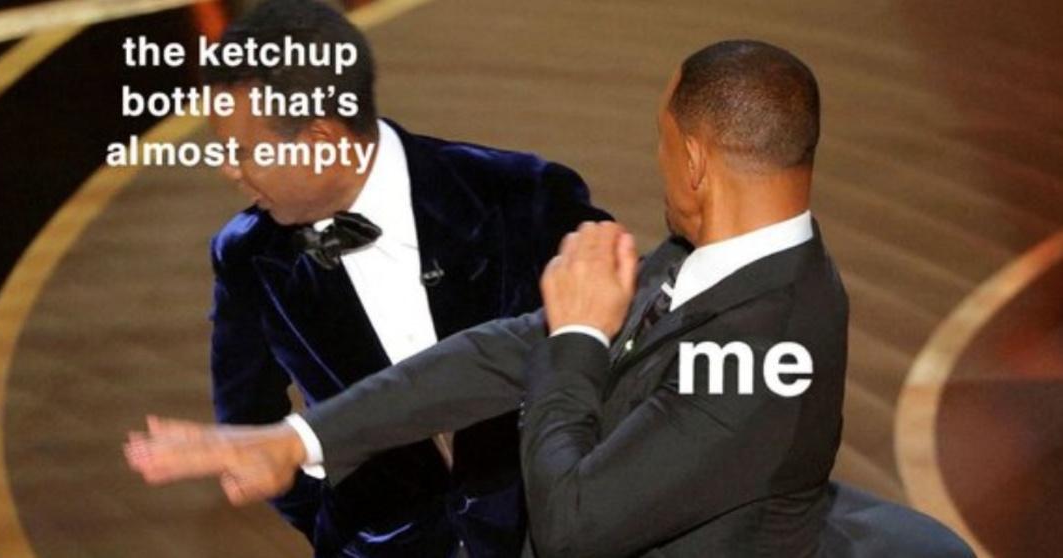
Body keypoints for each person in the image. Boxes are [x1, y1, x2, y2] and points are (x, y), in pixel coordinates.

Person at [127, 41, 970, 557]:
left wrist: (576, 342)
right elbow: (506, 348)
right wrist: (300, 438)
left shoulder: (763, 352)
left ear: (695, 161)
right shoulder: (707, 258)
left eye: (662, 142)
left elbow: (572, 526)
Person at [195, 1, 609, 556]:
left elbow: (629, 352)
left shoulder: (523, 194)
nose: (228, 171)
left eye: (241, 151)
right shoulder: (246, 254)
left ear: (320, 140)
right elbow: (249, 420)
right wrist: (337, 528)